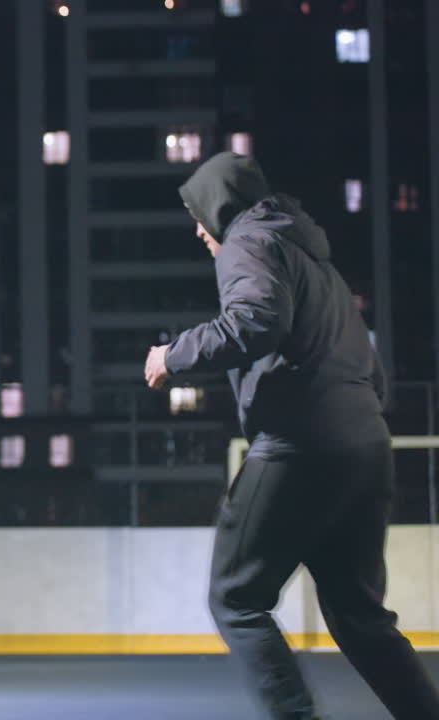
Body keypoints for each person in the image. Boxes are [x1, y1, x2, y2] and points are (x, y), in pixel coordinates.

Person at [143, 152, 439, 719]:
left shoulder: (246, 245)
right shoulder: (317, 265)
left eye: (197, 214)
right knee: (361, 618)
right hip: (366, 448)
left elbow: (254, 321)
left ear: (218, 208)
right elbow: (372, 371)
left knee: (235, 598)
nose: (196, 229)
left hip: (301, 448)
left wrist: (172, 355)